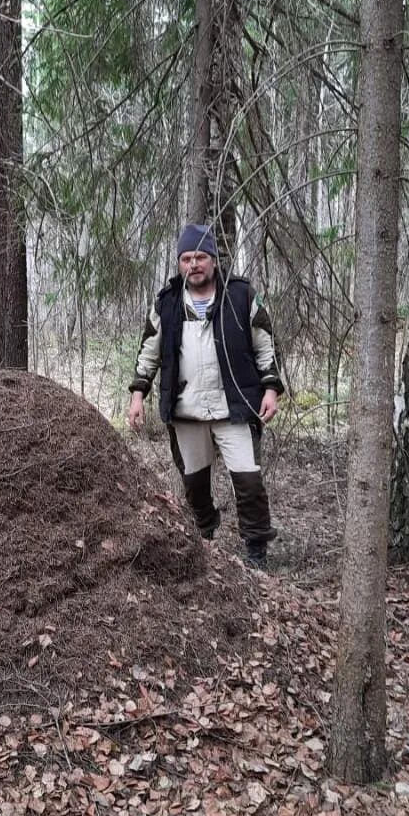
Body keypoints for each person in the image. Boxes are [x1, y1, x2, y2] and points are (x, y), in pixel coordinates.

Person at [127, 223, 284, 568]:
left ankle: (256, 553)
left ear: (212, 259)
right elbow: (149, 352)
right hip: (187, 411)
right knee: (194, 485)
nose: (193, 264)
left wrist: (271, 388)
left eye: (200, 257)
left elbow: (264, 345)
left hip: (235, 408)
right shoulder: (167, 303)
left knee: (249, 482)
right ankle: (204, 542)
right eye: (186, 258)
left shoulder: (240, 295)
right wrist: (138, 394)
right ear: (179, 263)